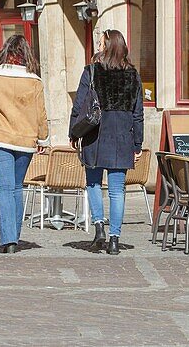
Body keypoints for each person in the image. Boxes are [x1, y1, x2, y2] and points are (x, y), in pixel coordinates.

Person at [69, 29, 145, 255]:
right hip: (122, 137)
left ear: (109, 47)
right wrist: (137, 144)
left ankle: (99, 225)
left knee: (93, 183)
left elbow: (79, 104)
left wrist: (74, 132)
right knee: (116, 190)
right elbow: (138, 113)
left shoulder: (91, 72)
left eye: (100, 44)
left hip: (95, 134)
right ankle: (114, 239)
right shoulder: (133, 75)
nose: (97, 48)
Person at [0, 34, 49, 254]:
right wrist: (43, 138)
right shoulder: (34, 80)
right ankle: (14, 236)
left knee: (4, 189)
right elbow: (41, 114)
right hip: (25, 140)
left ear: (4, 52)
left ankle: (8, 240)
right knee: (16, 187)